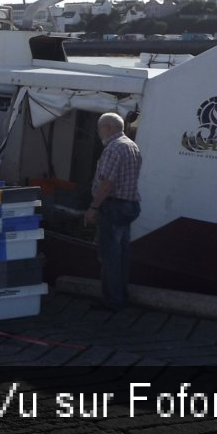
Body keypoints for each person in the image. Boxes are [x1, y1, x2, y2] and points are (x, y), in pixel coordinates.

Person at [84, 112, 142, 312]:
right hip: (129, 206)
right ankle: (122, 296)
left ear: (107, 128)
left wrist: (93, 207)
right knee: (122, 255)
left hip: (112, 207)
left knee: (109, 256)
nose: (99, 132)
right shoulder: (132, 146)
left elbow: (106, 183)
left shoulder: (113, 149)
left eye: (99, 128)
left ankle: (112, 301)